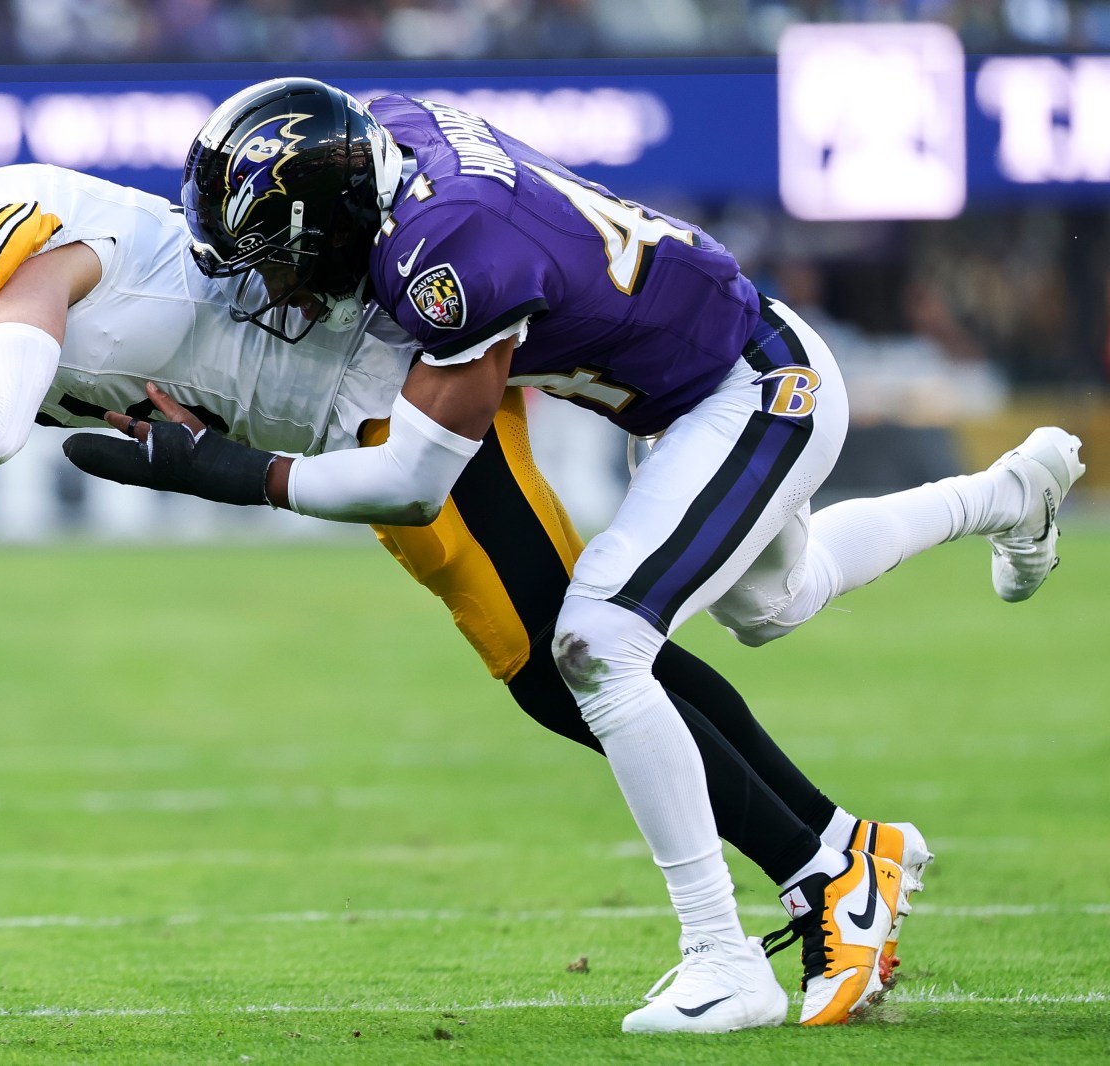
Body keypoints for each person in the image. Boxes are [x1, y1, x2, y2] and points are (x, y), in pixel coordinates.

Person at [0, 77, 928, 1033]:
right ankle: (832, 851)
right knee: (557, 670)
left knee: (582, 658)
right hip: (333, 434)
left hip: (390, 391)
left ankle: (822, 863)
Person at [61, 77, 1086, 1031]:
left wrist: (232, 472)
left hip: (753, 389)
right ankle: (1007, 496)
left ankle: (722, 952)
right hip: (687, 393)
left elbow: (412, 481)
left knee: (595, 640)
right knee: (778, 600)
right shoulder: (384, 143)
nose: (274, 288)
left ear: (330, 221)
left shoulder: (447, 254)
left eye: (278, 260)